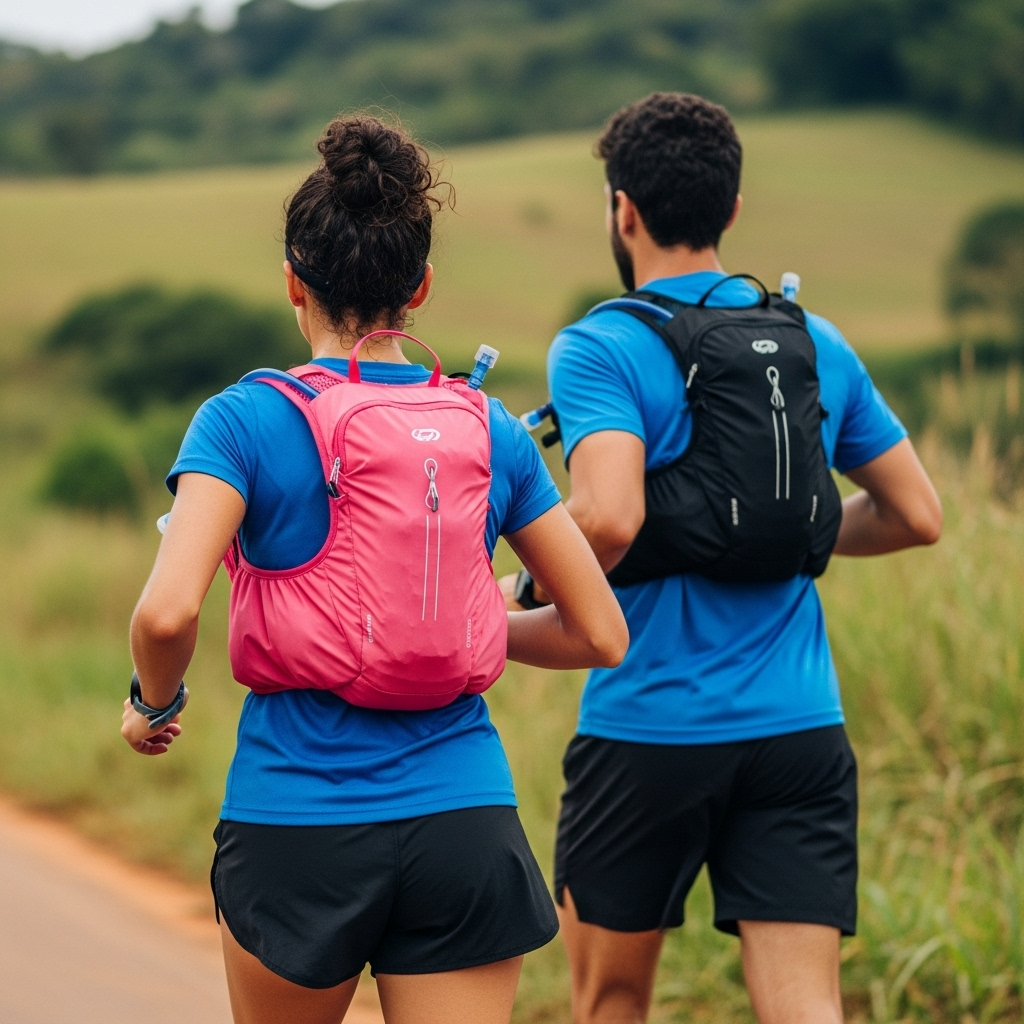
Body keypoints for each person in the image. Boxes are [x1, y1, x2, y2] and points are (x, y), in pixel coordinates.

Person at [120, 113, 628, 1024]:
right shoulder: (489, 428)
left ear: (293, 280)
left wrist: (153, 706)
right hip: (464, 821)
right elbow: (601, 633)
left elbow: (166, 615)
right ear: (420, 286)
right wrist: (465, 624)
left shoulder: (240, 421)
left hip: (296, 821)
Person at [504, 92, 943, 1024]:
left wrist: (528, 584)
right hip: (800, 729)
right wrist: (790, 530)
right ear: (732, 208)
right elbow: (916, 514)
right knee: (805, 1006)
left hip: (648, 730)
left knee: (612, 1000)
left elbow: (608, 518)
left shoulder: (602, 345)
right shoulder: (814, 340)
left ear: (623, 209)